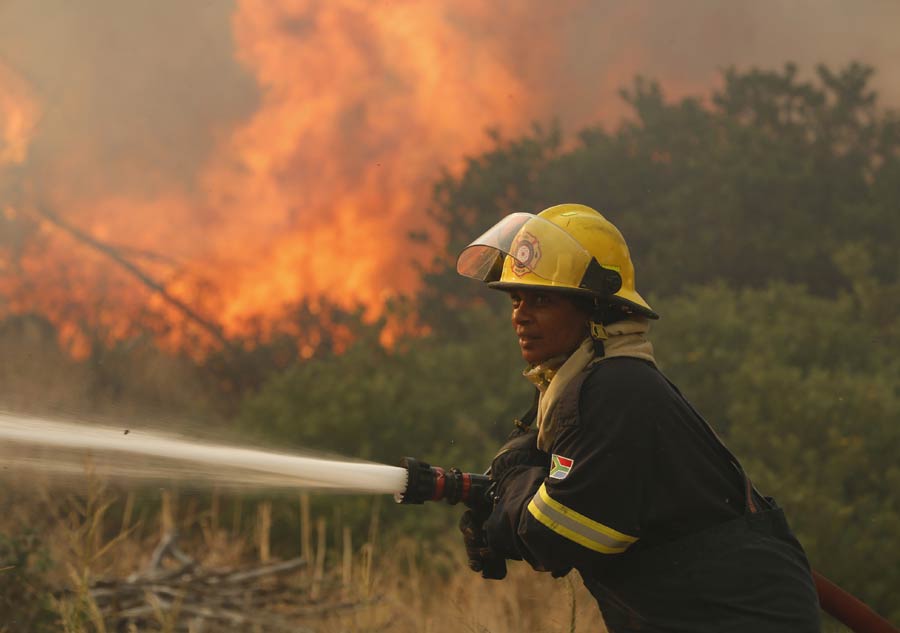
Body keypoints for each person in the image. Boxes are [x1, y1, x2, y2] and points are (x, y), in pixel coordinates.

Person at [455, 203, 822, 632]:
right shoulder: (590, 388)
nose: (520, 314)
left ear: (596, 309)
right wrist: (505, 503)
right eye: (517, 299)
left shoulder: (616, 389)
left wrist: (509, 499)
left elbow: (565, 532)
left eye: (542, 299)